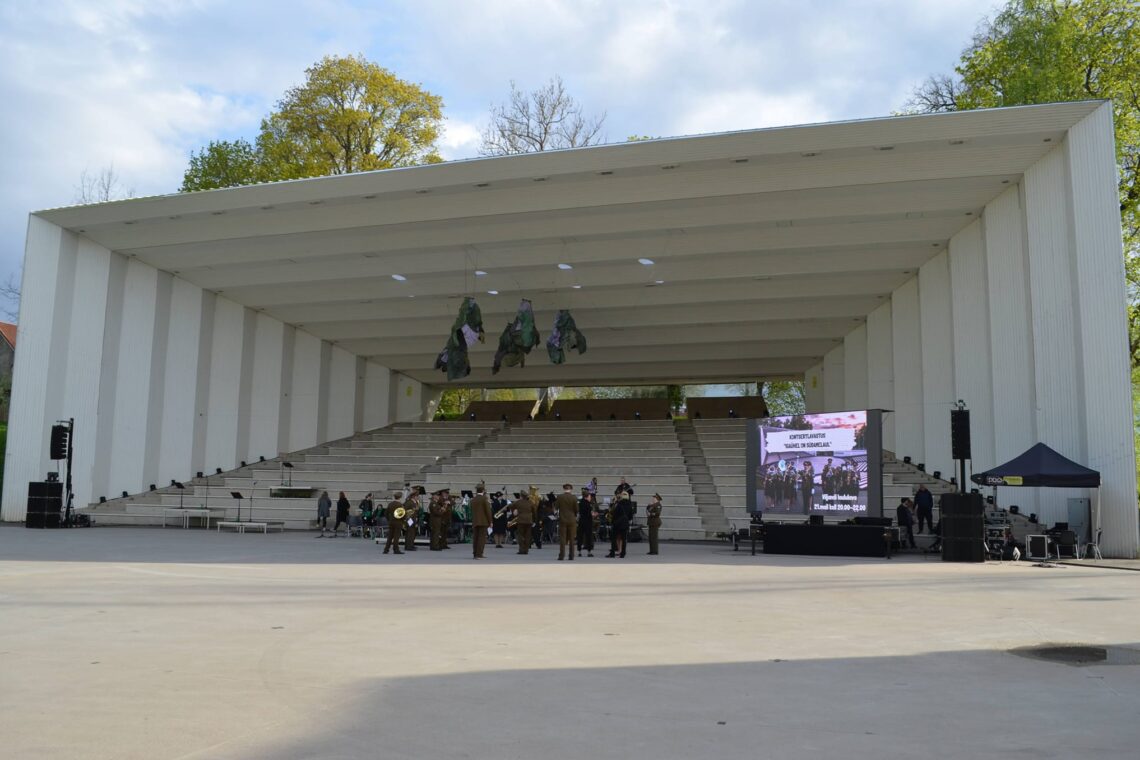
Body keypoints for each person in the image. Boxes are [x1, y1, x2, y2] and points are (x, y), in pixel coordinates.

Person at [555, 483, 578, 561]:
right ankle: (571, 556)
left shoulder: (560, 497)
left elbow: (556, 508)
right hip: (572, 520)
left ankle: (561, 555)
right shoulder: (574, 498)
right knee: (572, 539)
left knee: (562, 538)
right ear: (571, 489)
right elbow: (576, 510)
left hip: (562, 520)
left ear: (564, 489)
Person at [511, 488, 537, 554]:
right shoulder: (531, 502)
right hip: (529, 520)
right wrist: (534, 520)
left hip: (521, 520)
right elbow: (534, 512)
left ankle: (521, 550)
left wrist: (514, 513)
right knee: (528, 536)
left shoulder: (518, 502)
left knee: (520, 535)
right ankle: (526, 550)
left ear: (521, 496)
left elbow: (512, 507)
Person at [607, 491, 633, 558]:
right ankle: (623, 553)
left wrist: (612, 522)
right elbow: (630, 516)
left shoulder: (619, 504)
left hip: (617, 524)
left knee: (614, 538)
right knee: (624, 539)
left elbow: (615, 514)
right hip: (625, 524)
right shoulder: (630, 505)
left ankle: (612, 553)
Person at [470, 485, 492, 559]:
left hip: (475, 521)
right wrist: (490, 521)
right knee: (481, 538)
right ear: (483, 491)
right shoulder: (484, 499)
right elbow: (488, 511)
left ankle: (475, 553)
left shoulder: (473, 499)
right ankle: (479, 554)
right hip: (483, 521)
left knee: (475, 538)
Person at [577, 488, 595, 557]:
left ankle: (579, 551)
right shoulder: (588, 504)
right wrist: (593, 514)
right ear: (587, 496)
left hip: (581, 521)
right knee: (588, 537)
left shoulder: (580, 502)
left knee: (580, 536)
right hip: (588, 522)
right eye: (590, 496)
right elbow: (589, 513)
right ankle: (589, 552)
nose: (590, 498)